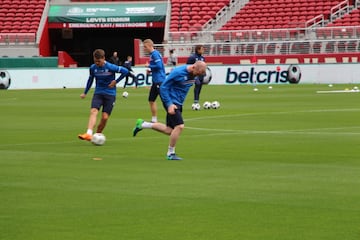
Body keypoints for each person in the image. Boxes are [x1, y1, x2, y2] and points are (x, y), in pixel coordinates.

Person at [132, 61, 207, 160]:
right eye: (198, 73)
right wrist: (169, 104)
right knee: (180, 126)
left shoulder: (194, 74)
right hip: (171, 102)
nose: (197, 76)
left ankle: (142, 124)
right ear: (193, 67)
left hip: (179, 103)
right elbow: (163, 87)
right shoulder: (178, 72)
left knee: (170, 130)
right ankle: (170, 153)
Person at [78, 49, 132, 141]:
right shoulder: (93, 68)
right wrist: (85, 92)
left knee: (105, 117)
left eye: (99, 61)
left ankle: (98, 133)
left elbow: (125, 71)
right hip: (98, 93)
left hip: (110, 94)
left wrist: (116, 81)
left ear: (103, 58)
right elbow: (90, 80)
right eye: (95, 61)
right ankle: (89, 133)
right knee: (94, 111)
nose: (97, 63)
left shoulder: (111, 67)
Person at [143, 39, 166, 123]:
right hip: (155, 81)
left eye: (145, 47)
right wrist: (150, 70)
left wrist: (149, 66)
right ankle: (154, 119)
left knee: (165, 100)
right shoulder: (153, 54)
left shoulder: (155, 54)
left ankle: (173, 117)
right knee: (151, 100)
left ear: (149, 45)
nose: (144, 49)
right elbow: (157, 67)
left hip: (160, 80)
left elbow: (159, 66)